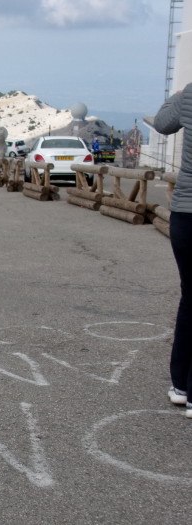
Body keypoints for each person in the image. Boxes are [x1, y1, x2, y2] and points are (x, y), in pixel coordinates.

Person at [154, 82, 192, 419]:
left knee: (191, 298)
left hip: (186, 213)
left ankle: (181, 385)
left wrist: (178, 93)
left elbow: (163, 122)